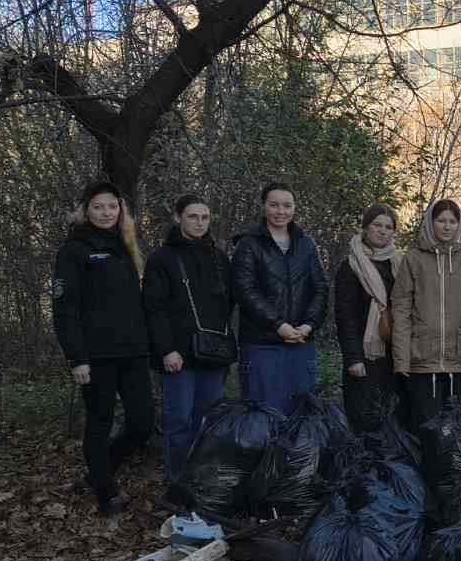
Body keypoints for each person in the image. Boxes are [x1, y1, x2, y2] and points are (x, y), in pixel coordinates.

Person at [52, 181, 153, 515]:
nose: (106, 213)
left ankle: (100, 469)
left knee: (141, 423)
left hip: (134, 352)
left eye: (112, 206)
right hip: (96, 356)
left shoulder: (125, 245)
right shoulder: (75, 250)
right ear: (86, 210)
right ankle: (105, 492)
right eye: (98, 207)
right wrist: (76, 357)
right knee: (100, 421)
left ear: (120, 209)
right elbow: (65, 309)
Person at [143, 193, 234, 505]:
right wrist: (167, 349)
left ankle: (204, 485)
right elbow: (153, 309)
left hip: (214, 356)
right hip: (178, 357)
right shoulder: (162, 259)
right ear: (178, 217)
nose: (199, 223)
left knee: (209, 423)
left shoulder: (219, 259)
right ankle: (179, 486)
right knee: (179, 421)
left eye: (205, 217)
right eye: (193, 216)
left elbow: (230, 303)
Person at [393, 200, 461, 429]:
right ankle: (428, 466)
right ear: (430, 222)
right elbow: (401, 311)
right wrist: (401, 361)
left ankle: (455, 467)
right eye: (441, 220)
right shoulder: (413, 259)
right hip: (423, 361)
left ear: (459, 225)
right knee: (425, 430)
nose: (447, 226)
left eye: (452, 221)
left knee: (459, 433)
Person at [231, 182, 328, 412]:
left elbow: (321, 287)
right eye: (274, 205)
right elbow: (245, 290)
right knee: (264, 415)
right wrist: (277, 324)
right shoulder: (249, 244)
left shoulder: (306, 244)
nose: (280, 211)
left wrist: (309, 325)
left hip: (301, 344)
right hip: (262, 345)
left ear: (294, 208)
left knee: (302, 415)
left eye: (287, 205)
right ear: (264, 206)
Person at [333, 203, 403, 431]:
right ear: (365, 228)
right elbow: (345, 317)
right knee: (363, 417)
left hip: (393, 352)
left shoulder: (399, 263)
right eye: (377, 225)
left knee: (391, 415)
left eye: (388, 227)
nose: (382, 231)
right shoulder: (351, 265)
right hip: (364, 354)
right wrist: (354, 358)